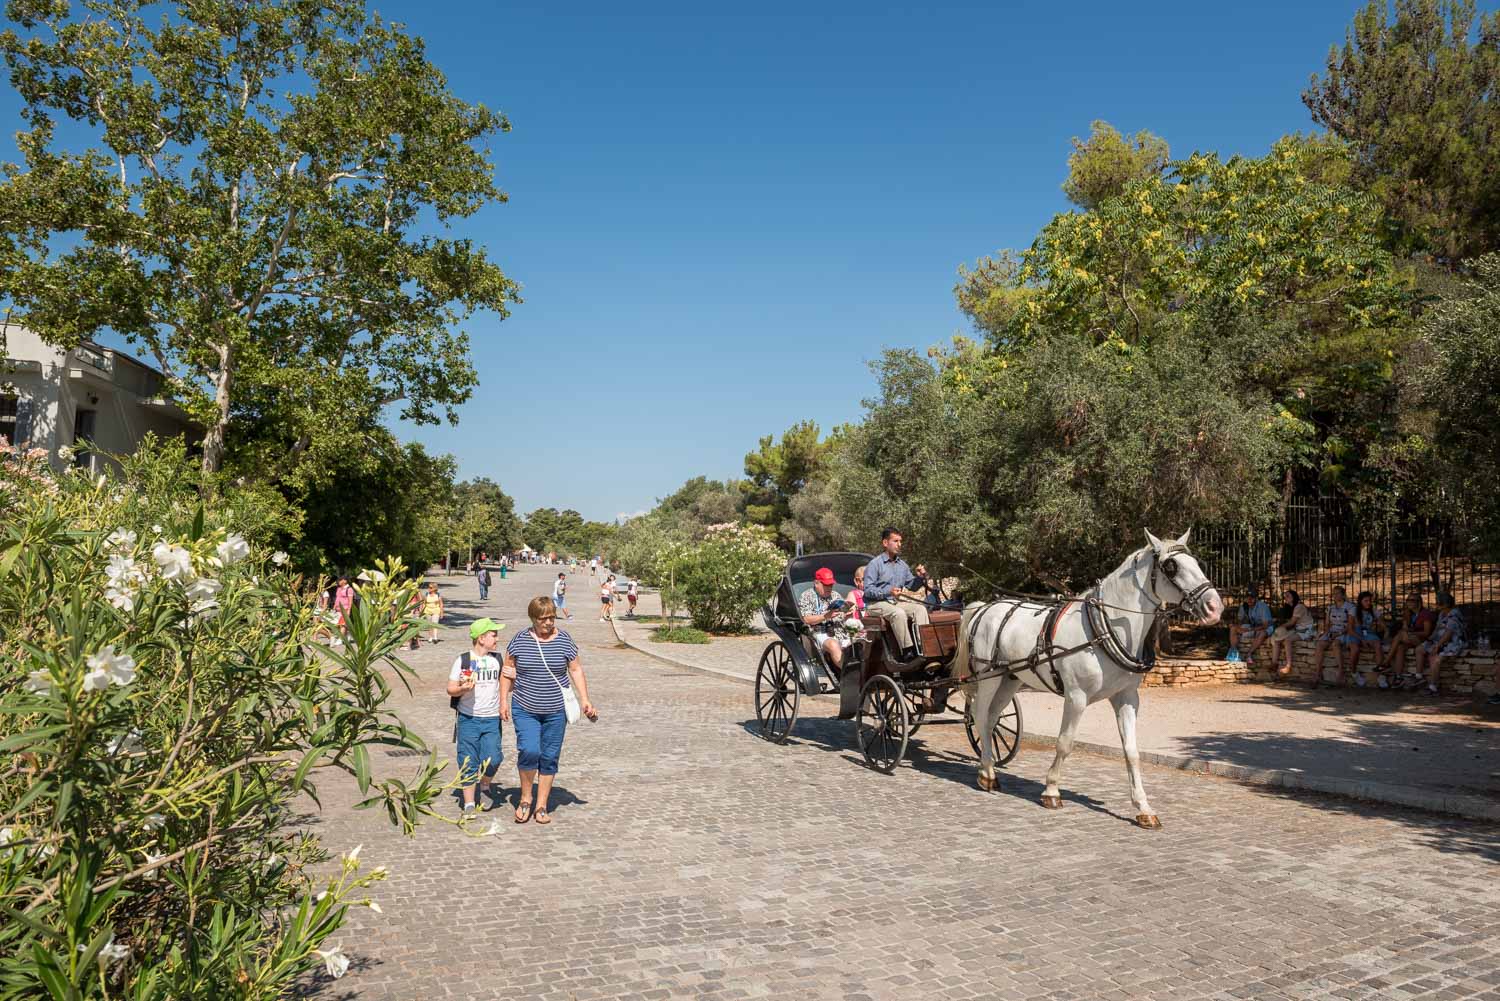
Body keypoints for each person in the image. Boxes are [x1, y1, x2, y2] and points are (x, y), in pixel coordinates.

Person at [500, 596, 598, 825]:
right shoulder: (519, 640)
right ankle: (525, 798)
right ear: (533, 619)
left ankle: (541, 805)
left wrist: (585, 700)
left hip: (556, 710)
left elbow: (576, 670)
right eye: (544, 619)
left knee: (549, 756)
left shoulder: (564, 640)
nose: (549, 623)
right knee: (529, 750)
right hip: (525, 707)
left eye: (552, 617)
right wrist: (503, 701)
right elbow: (507, 671)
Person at [446, 617, 506, 821]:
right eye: (493, 634)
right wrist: (463, 688)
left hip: (491, 718)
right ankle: (470, 803)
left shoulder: (497, 659)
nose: (497, 638)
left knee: (494, 757)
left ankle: (486, 783)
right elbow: (451, 689)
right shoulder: (463, 660)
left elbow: (505, 687)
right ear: (481, 638)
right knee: (467, 760)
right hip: (468, 718)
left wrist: (512, 678)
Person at [862, 528, 930, 659]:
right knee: (898, 613)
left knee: (920, 609)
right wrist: (888, 591)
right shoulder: (875, 564)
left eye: (900, 541)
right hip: (875, 604)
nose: (899, 544)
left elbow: (912, 586)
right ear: (885, 543)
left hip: (895, 602)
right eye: (896, 541)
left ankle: (924, 648)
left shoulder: (902, 565)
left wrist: (921, 577)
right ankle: (907, 652)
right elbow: (868, 590)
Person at [1413, 592, 1466, 695]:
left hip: (1452, 642)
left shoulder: (1454, 615)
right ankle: (1418, 676)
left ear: (1445, 604)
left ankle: (1433, 687)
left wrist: (1437, 646)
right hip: (1439, 639)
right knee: (1419, 649)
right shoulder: (1442, 613)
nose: (1436, 605)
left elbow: (1448, 634)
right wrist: (1430, 639)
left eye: (1438, 603)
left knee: (1434, 658)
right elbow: (1437, 629)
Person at [799, 567, 851, 670]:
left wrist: (848, 613)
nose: (829, 588)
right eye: (826, 585)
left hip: (839, 631)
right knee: (833, 645)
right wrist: (825, 616)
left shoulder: (835, 595)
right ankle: (849, 675)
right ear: (816, 583)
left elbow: (843, 612)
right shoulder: (806, 596)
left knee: (859, 642)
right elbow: (806, 619)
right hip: (818, 632)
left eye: (831, 585)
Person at [1382, 592, 1436, 685]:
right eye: (1407, 600)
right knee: (1400, 647)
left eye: (1411, 600)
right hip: (1411, 638)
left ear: (1418, 602)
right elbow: (1405, 628)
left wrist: (1410, 632)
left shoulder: (1425, 614)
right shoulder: (1409, 613)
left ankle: (1386, 662)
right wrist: (1405, 623)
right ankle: (1398, 677)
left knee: (1400, 635)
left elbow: (1427, 633)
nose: (1408, 603)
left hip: (1423, 640)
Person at [1312, 586, 1359, 687]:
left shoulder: (1350, 607)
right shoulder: (1330, 608)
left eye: (1338, 593)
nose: (1335, 595)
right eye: (1334, 593)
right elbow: (1328, 624)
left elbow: (1350, 625)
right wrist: (1324, 634)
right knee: (1319, 644)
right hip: (1332, 631)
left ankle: (1341, 672)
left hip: (1344, 632)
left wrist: (1339, 634)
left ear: (1343, 594)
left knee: (1336, 644)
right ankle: (1318, 672)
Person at [1267, 588, 1317, 677]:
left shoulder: (1299, 607)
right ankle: (1274, 663)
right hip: (1298, 630)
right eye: (1285, 596)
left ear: (1294, 597)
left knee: (1287, 640)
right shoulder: (1290, 608)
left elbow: (1292, 622)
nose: (1285, 598)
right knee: (1277, 640)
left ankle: (1288, 666)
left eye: (1288, 596)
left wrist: (1280, 627)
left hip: (1306, 631)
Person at [1347, 590, 1387, 687]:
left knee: (1378, 645)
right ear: (1360, 601)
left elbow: (1383, 624)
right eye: (1366, 600)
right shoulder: (1354, 610)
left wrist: (1384, 628)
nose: (1368, 603)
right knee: (1355, 650)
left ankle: (1380, 676)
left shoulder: (1373, 610)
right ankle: (1354, 673)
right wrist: (1361, 639)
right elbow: (1350, 629)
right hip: (1355, 633)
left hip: (1368, 633)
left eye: (1370, 600)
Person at [1229, 586, 1273, 664]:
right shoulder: (1244, 606)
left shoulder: (1263, 607)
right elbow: (1239, 621)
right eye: (1247, 597)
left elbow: (1266, 625)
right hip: (1253, 627)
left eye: (1252, 597)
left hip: (1265, 627)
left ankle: (1249, 654)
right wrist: (1236, 625)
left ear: (1256, 598)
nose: (1249, 600)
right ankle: (1234, 652)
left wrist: (1249, 630)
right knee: (1233, 628)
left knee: (1263, 633)